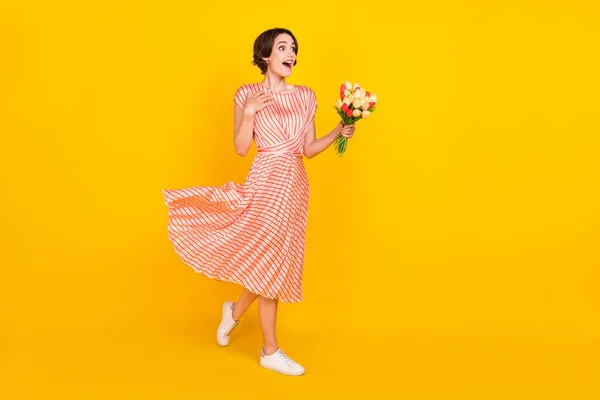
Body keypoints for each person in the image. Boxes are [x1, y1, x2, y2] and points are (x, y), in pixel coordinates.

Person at [162, 27, 355, 376]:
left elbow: (307, 150)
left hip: (295, 185)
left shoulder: (307, 96)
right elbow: (240, 148)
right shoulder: (246, 93)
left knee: (270, 262)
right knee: (269, 262)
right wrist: (249, 111)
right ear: (266, 55)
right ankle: (270, 350)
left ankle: (233, 313)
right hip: (265, 181)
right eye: (283, 47)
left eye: (293, 47)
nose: (291, 53)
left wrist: (338, 132)